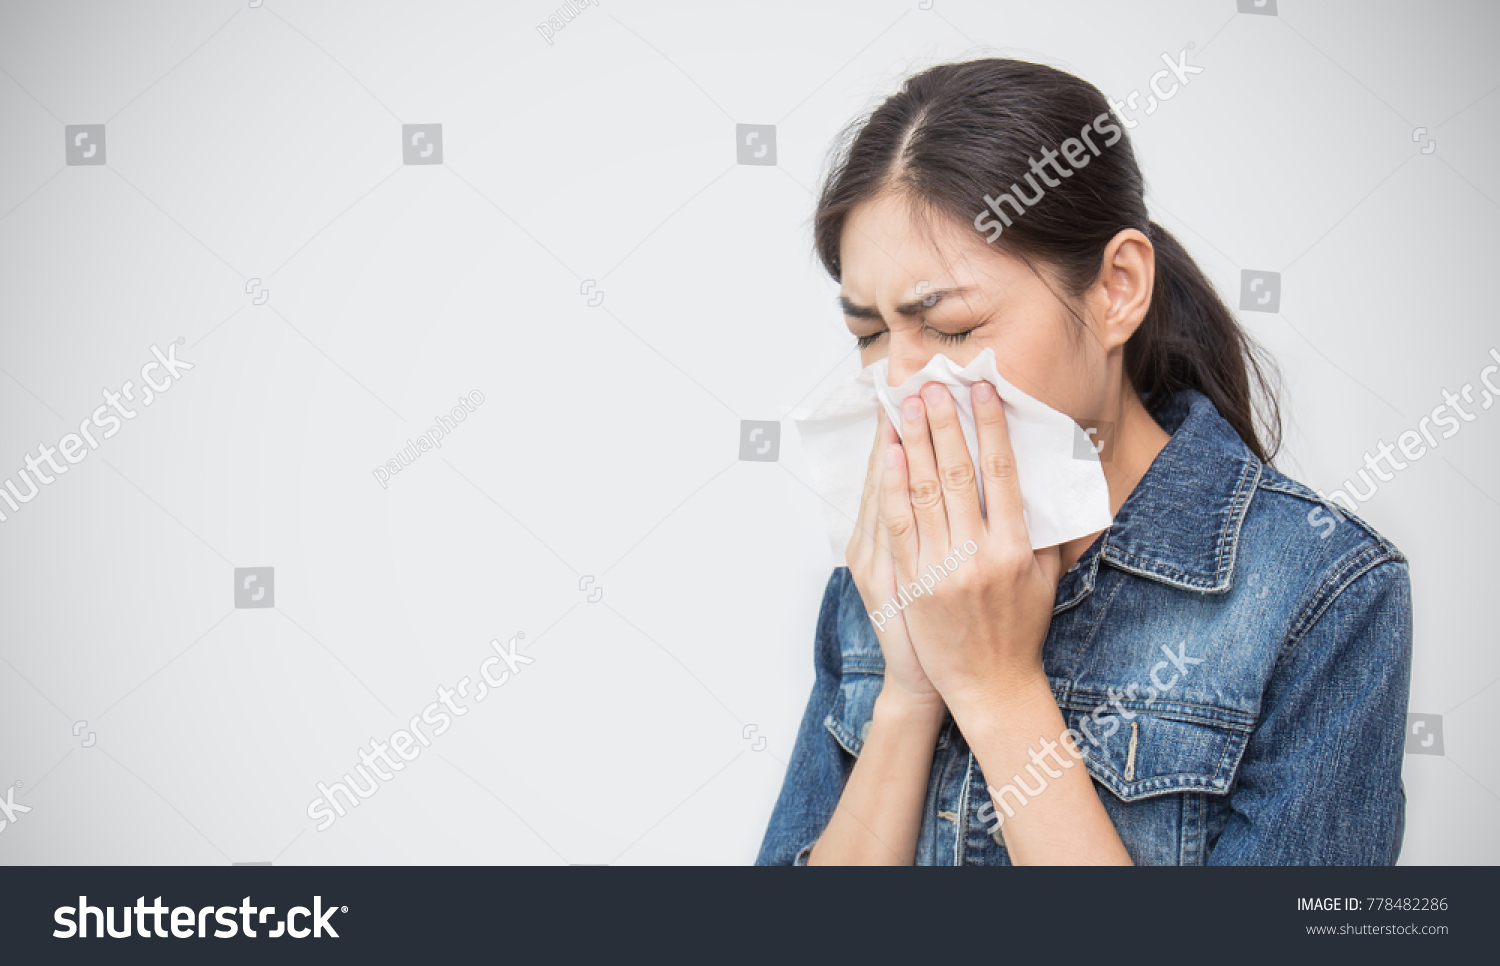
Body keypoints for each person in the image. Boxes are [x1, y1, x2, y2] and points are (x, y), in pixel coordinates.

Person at [756, 59, 1411, 866]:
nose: (902, 383)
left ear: (1116, 289)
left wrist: (999, 693)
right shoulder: (886, 569)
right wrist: (909, 691)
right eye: (871, 335)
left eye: (953, 327)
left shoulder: (1321, 593)